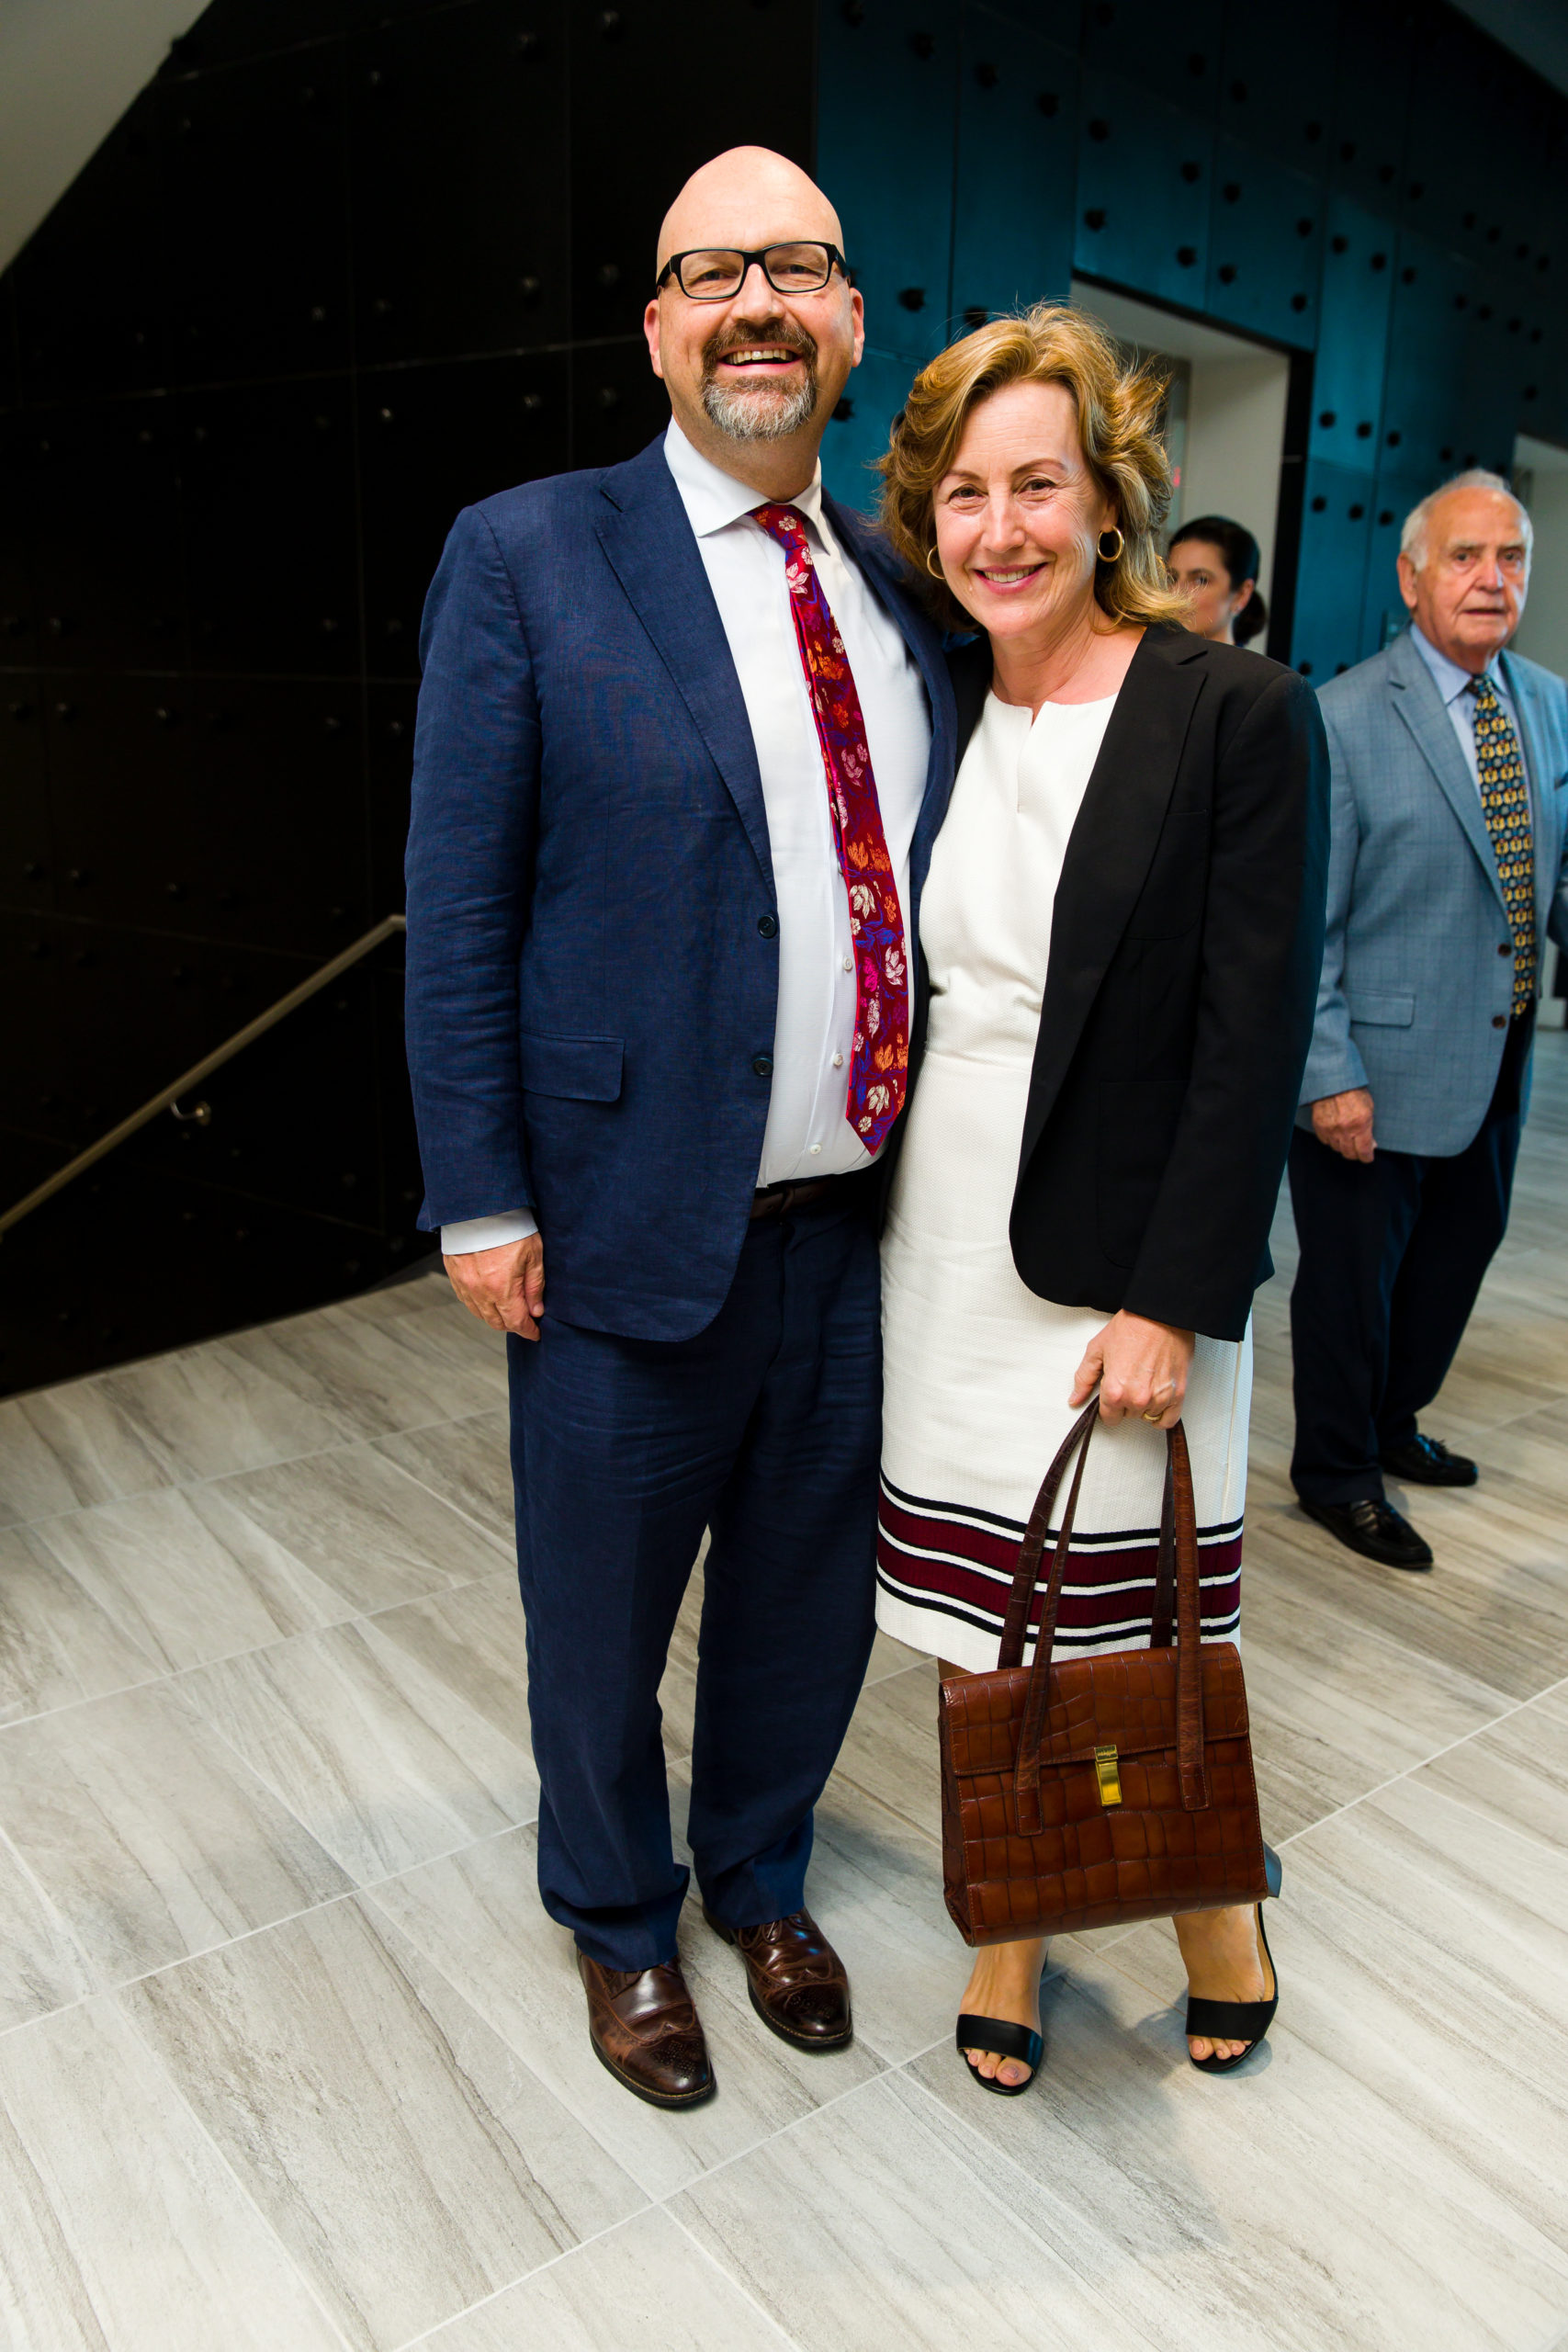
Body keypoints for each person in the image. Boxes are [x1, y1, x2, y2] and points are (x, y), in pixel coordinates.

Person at [403, 147, 955, 2109]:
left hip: (852, 1229)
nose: (751, 306)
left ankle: (761, 1874)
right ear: (653, 323)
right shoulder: (529, 552)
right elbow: (459, 903)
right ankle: (622, 1926)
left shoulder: (903, 583)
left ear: (848, 319)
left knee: (805, 1599)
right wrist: (477, 1188)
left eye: (793, 268)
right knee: (601, 1613)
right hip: (623, 1213)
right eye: (706, 272)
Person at [874, 303, 1328, 2087]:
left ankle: (1212, 1899)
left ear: (1107, 497)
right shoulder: (930, 704)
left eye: (1037, 483)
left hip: (1121, 1261)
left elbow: (1251, 1031)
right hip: (943, 1248)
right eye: (964, 491)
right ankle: (1014, 1918)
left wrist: (1168, 1292)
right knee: (982, 1625)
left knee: (1136, 1615)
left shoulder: (1228, 708)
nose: (1001, 526)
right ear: (929, 518)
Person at [1289, 470, 1568, 1569]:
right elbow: (1308, 918)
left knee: (1458, 1257)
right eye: (1465, 556)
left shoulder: (1545, 703)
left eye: (1511, 558)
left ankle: (1394, 1424)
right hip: (1374, 1062)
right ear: (1412, 577)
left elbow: (1544, 880)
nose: (1491, 579)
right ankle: (1337, 1473)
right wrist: (1327, 1073)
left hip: (1497, 1055)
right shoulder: (1342, 714)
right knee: (1352, 1285)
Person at [1168, 514, 1269, 647]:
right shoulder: (1147, 663)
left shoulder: (1252, 667)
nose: (1176, 592)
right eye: (1172, 578)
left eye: (1201, 580)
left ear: (1242, 594)